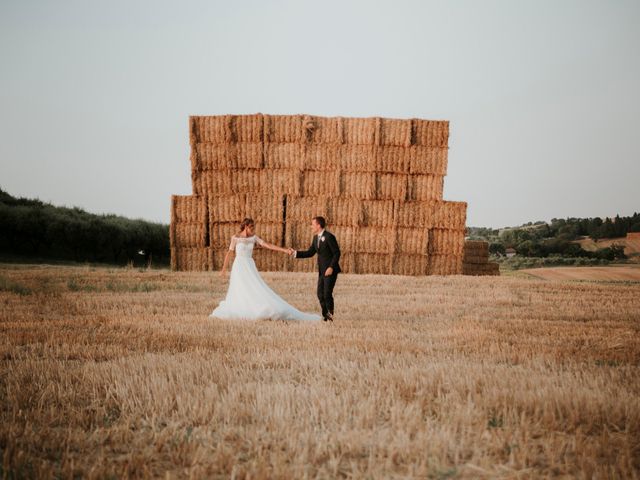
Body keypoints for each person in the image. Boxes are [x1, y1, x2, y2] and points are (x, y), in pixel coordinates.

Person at [210, 218, 321, 321]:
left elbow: (268, 245)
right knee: (239, 287)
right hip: (238, 266)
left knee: (254, 286)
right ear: (246, 227)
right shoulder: (235, 238)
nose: (253, 230)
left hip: (249, 264)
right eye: (251, 227)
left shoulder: (254, 238)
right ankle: (242, 305)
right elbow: (229, 253)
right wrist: (223, 269)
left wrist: (284, 250)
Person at [288, 216, 341, 322]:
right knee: (320, 294)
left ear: (318, 225)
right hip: (322, 271)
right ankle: (325, 315)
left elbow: (337, 253)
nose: (311, 226)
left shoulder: (329, 237)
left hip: (330, 270)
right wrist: (295, 253)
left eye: (312, 224)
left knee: (327, 293)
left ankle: (330, 315)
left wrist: (331, 267)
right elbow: (310, 252)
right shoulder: (316, 238)